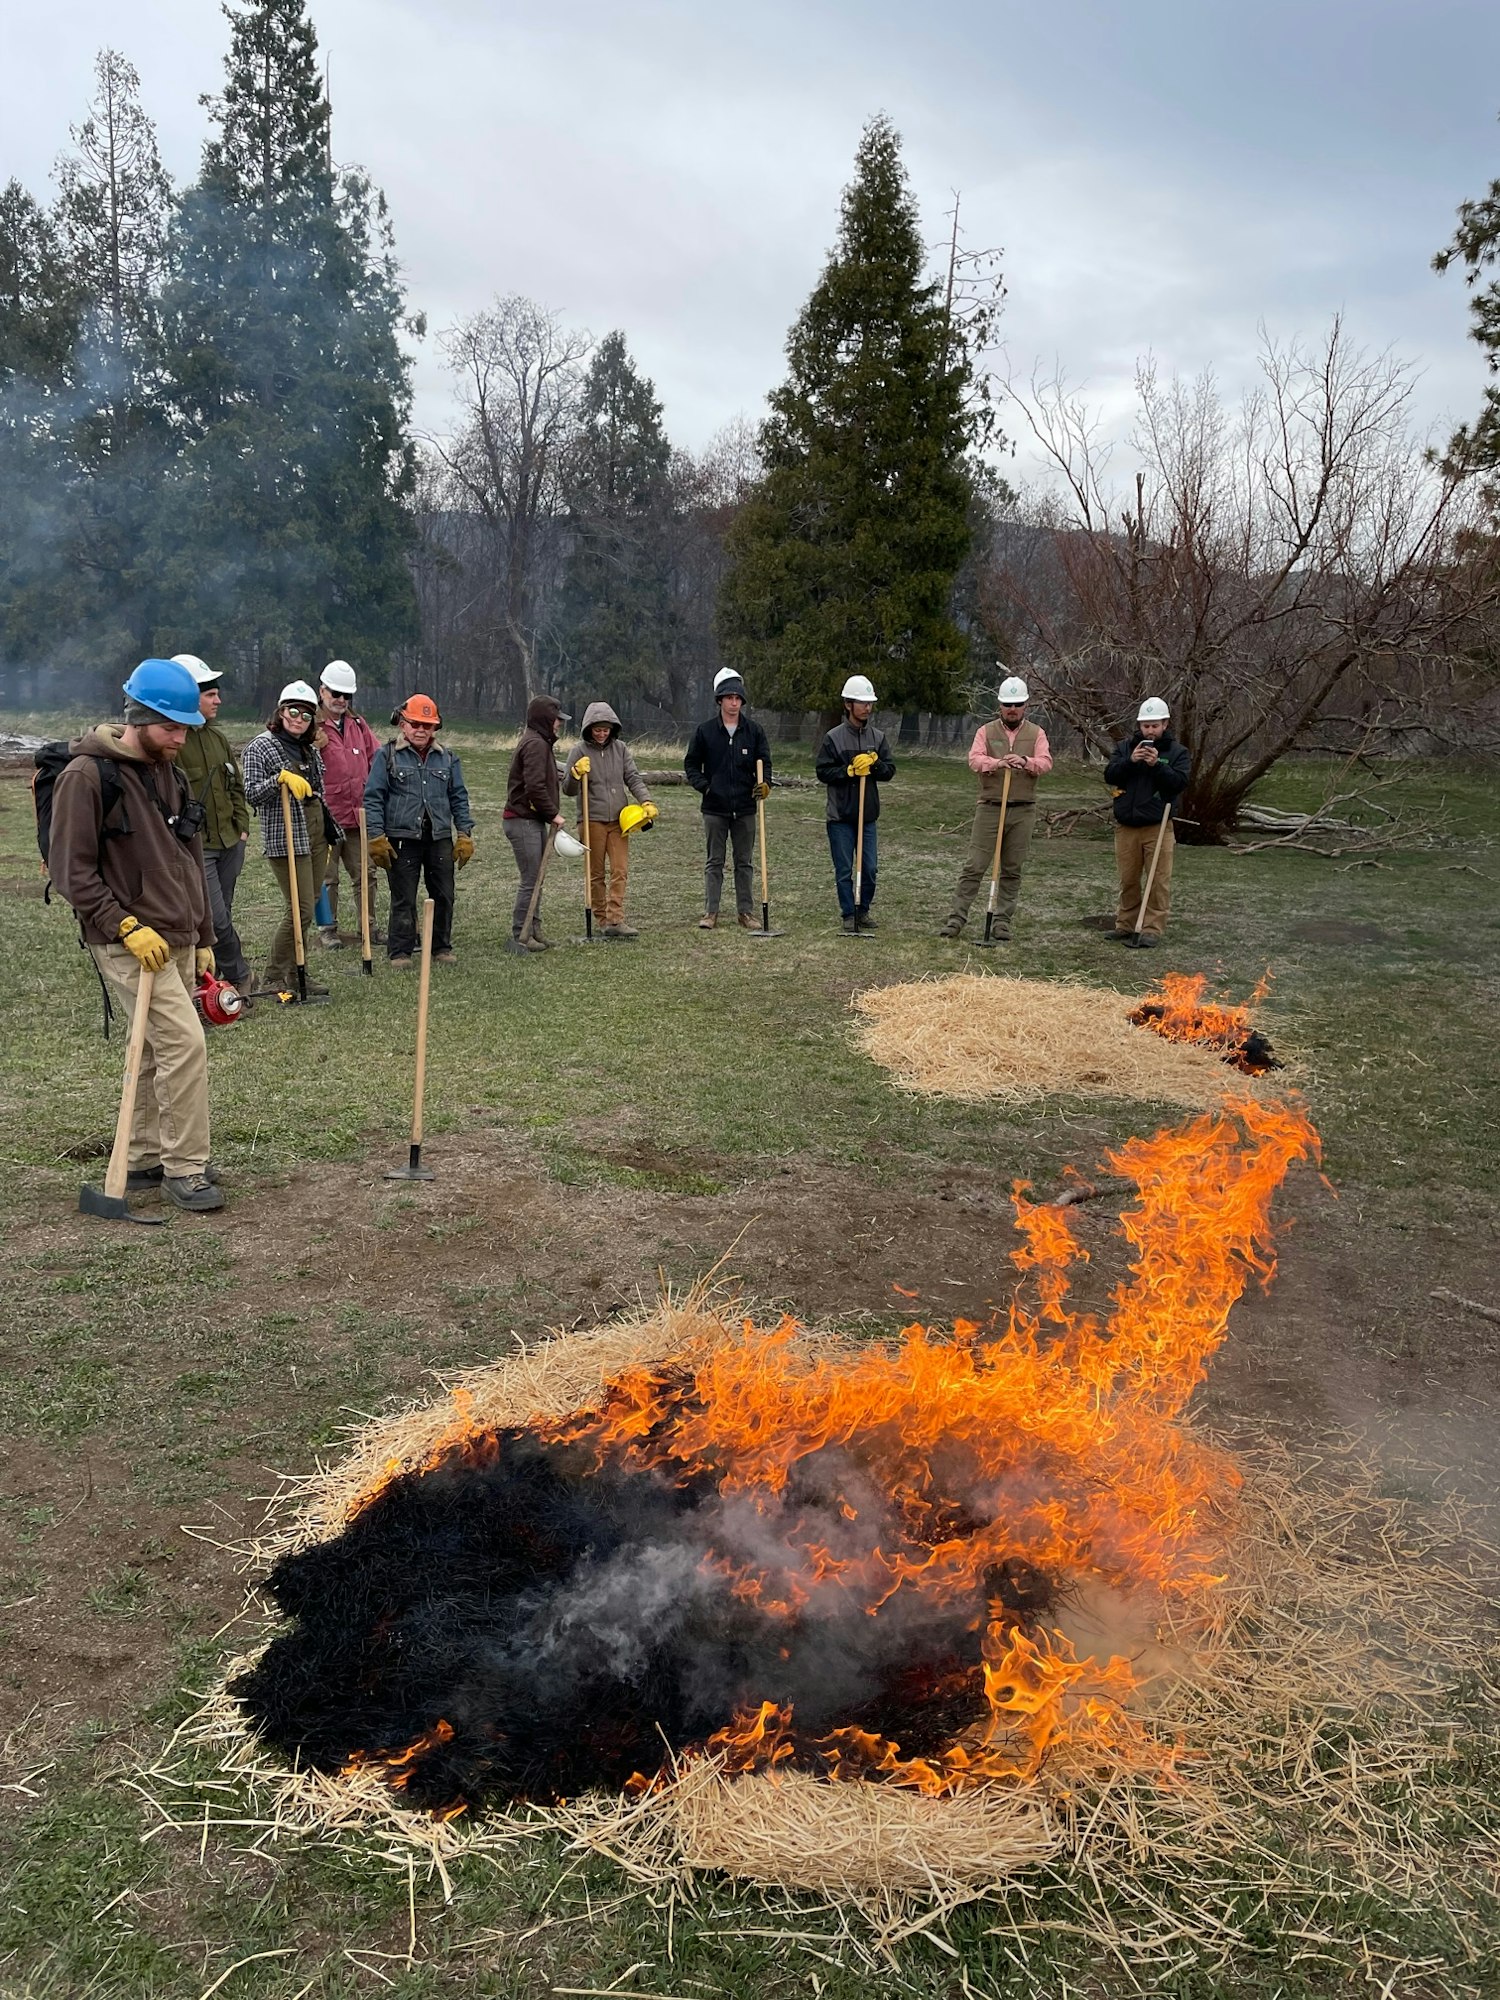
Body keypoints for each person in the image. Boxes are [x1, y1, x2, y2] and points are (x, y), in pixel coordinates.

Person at [48, 658, 224, 1212]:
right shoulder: (85, 776)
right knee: (183, 1042)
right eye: (171, 727)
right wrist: (125, 925)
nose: (180, 738)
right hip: (124, 939)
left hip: (175, 933)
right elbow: (69, 871)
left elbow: (188, 856)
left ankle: (148, 1154)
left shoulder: (168, 771)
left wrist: (203, 934)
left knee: (153, 1047)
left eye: (185, 728)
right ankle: (186, 1167)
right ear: (139, 717)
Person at [364, 694, 475, 967]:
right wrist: (376, 836)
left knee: (444, 895)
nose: (421, 730)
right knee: (403, 896)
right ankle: (400, 951)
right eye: (415, 724)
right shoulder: (386, 755)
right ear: (403, 724)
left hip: (438, 838)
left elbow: (459, 798)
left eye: (428, 725)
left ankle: (440, 947)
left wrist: (463, 834)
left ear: (435, 727)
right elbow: (373, 797)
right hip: (401, 838)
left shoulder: (448, 759)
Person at [940, 673, 1052, 942]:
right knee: (975, 865)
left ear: (1026, 706)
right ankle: (956, 918)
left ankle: (1002, 921)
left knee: (1012, 868)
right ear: (999, 705)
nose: (1012, 709)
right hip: (990, 807)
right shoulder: (985, 731)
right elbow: (974, 760)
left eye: (1017, 704)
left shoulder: (1037, 733)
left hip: (1022, 809)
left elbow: (1046, 762)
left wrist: (1025, 761)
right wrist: (997, 763)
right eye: (1007, 704)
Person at [241, 681, 332, 997]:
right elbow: (251, 792)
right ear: (281, 711)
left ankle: (297, 973)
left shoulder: (309, 749)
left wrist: (328, 831)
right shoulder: (260, 747)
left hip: (316, 832)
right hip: (286, 836)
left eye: (306, 715)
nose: (298, 719)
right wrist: (278, 779)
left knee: (311, 903)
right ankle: (274, 976)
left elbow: (319, 789)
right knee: (301, 908)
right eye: (293, 711)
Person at [171, 653, 252, 992]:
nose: (218, 700)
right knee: (213, 919)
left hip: (230, 842)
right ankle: (239, 978)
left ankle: (211, 984)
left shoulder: (218, 739)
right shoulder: (173, 741)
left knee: (223, 915)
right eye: (210, 694)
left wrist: (242, 827)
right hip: (197, 848)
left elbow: (235, 785)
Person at [683, 668, 772, 929]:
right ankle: (711, 912)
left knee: (744, 862)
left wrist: (764, 784)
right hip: (714, 809)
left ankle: (746, 912)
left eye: (738, 698)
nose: (734, 702)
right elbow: (691, 765)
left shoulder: (754, 732)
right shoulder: (705, 731)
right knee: (715, 862)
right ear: (720, 700)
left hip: (745, 808)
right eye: (729, 697)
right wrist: (706, 787)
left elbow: (765, 763)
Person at [562, 701, 657, 939]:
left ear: (613, 728)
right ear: (588, 728)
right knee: (596, 873)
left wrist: (646, 800)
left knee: (620, 869)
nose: (602, 733)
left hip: (619, 821)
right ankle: (602, 919)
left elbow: (633, 777)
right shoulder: (579, 751)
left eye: (606, 729)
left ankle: (616, 919)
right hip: (591, 819)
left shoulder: (621, 749)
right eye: (597, 729)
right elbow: (568, 789)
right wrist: (574, 774)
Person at [1103, 696, 1191, 948]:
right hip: (1127, 825)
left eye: (1154, 725)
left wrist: (1156, 766)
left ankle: (1152, 928)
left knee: (1158, 880)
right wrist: (1131, 762)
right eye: (1145, 725)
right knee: (1128, 879)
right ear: (1139, 726)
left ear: (1165, 724)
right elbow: (1110, 774)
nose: (1149, 731)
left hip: (1158, 825)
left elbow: (1179, 783)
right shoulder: (1125, 749)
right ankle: (1126, 925)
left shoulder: (1177, 753)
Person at [815, 674, 895, 932]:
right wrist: (848, 771)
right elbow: (822, 771)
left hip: (867, 815)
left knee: (869, 868)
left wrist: (875, 764)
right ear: (848, 704)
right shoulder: (833, 738)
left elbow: (889, 771)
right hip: (840, 816)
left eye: (870, 703)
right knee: (844, 870)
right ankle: (848, 914)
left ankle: (863, 910)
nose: (867, 708)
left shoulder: (878, 738)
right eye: (862, 703)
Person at [315, 660, 381, 949]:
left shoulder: (358, 724)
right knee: (327, 878)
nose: (341, 700)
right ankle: (327, 930)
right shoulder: (312, 726)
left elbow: (375, 757)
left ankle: (369, 927)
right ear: (322, 691)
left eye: (347, 695)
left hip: (358, 816)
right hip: (327, 817)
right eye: (336, 693)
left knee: (366, 874)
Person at [502, 696, 567, 951]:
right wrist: (554, 814)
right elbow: (535, 787)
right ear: (545, 719)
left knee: (537, 878)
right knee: (531, 878)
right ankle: (522, 933)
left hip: (532, 820)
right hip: (522, 821)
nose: (560, 724)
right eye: (556, 719)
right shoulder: (535, 744)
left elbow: (546, 776)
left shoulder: (540, 743)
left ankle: (534, 929)